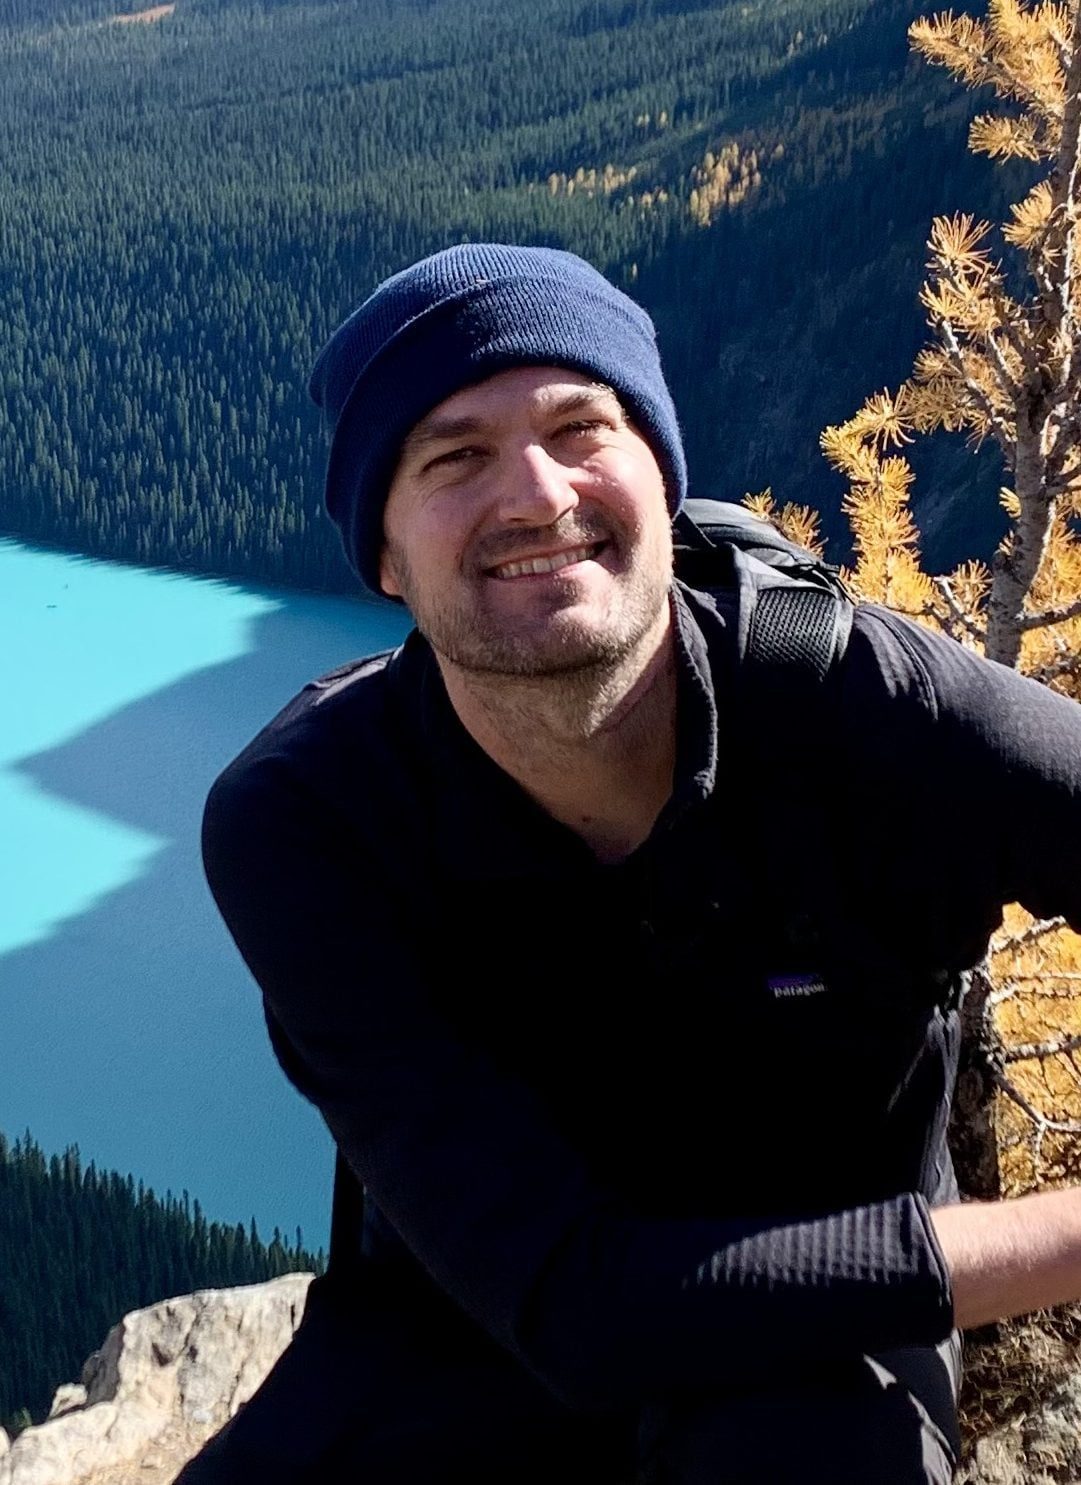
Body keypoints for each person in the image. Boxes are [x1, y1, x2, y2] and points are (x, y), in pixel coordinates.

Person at [181, 243, 1081, 1484]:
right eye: (452, 457)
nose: (536, 494)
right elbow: (576, 1308)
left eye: (579, 426)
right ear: (381, 557)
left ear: (661, 478)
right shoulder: (314, 821)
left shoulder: (863, 711)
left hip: (822, 1341)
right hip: (480, 1328)